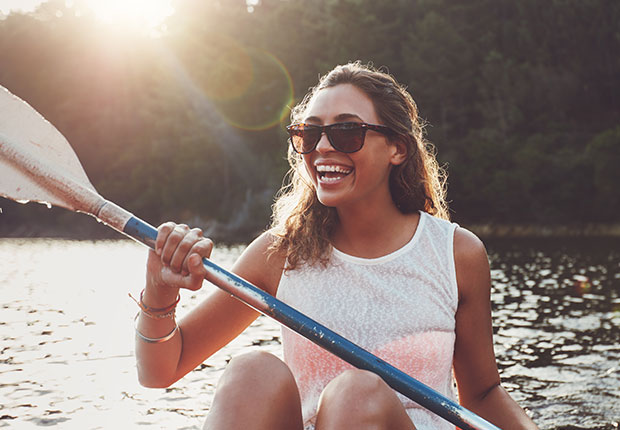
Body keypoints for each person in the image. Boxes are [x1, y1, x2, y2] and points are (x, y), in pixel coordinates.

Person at [133, 62, 538, 430]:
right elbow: (160, 371)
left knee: (357, 395)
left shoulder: (456, 254)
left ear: (397, 148)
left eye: (347, 132)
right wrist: (160, 289)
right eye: (310, 133)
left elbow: (482, 394)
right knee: (251, 372)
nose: (323, 147)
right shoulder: (280, 254)